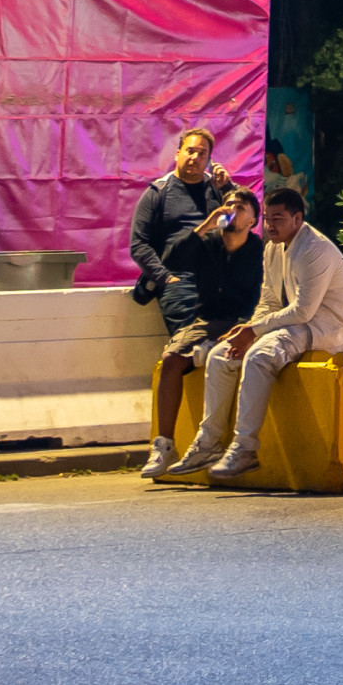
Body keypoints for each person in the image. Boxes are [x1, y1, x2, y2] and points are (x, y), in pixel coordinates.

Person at [155, 179, 343, 485]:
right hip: (291, 324)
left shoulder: (314, 249)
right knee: (221, 356)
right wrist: (250, 328)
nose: (271, 225)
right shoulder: (273, 248)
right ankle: (207, 444)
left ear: (297, 219)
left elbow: (304, 311)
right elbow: (270, 300)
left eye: (278, 218)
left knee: (260, 355)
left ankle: (245, 448)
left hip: (324, 327)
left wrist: (254, 331)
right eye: (268, 218)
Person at [141, 177, 267, 475]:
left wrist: (247, 326)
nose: (233, 209)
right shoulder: (208, 242)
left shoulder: (261, 251)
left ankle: (207, 355)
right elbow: (171, 260)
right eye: (230, 204)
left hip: (244, 323)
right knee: (171, 360)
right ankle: (163, 447)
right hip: (206, 321)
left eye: (241, 206)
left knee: (216, 352)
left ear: (253, 219)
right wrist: (205, 225)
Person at [126, 126, 231, 307]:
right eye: (190, 151)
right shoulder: (157, 192)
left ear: (208, 161)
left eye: (202, 154)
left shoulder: (217, 189)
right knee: (191, 336)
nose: (195, 158)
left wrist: (228, 189)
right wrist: (166, 278)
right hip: (178, 286)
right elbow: (139, 245)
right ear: (177, 154)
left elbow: (244, 223)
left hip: (217, 282)